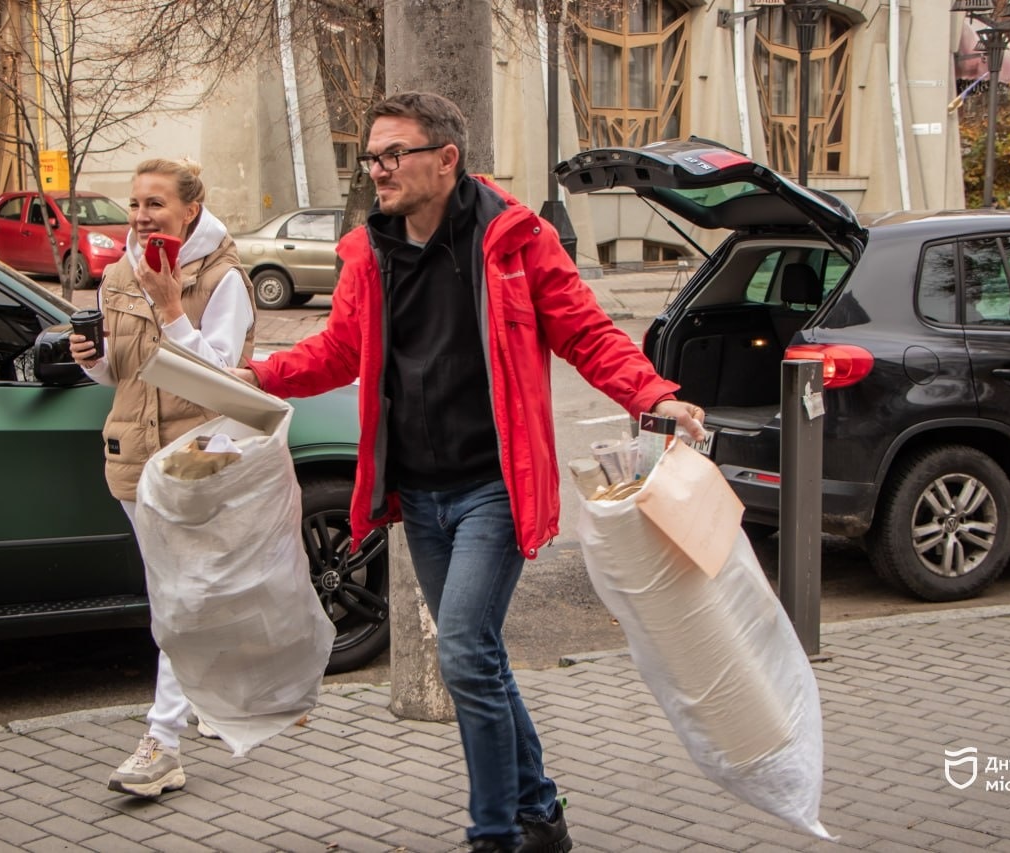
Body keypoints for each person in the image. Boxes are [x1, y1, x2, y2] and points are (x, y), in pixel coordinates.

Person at [235, 92, 705, 852]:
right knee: (477, 655)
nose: (378, 170)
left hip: (496, 486)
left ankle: (494, 833)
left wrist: (653, 393)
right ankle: (541, 811)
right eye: (373, 156)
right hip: (417, 491)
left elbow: (587, 331)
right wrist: (261, 376)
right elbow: (339, 351)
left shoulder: (515, 241)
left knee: (461, 648)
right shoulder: (370, 253)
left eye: (394, 154)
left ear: (446, 159)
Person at [69, 157, 255, 798]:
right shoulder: (119, 274)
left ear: (190, 211)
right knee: (178, 592)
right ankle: (208, 695)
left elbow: (222, 376)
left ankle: (162, 743)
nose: (143, 216)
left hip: (196, 456)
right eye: (136, 204)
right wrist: (90, 360)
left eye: (156, 204)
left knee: (175, 599)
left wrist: (172, 306)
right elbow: (118, 375)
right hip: (130, 454)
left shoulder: (221, 277)